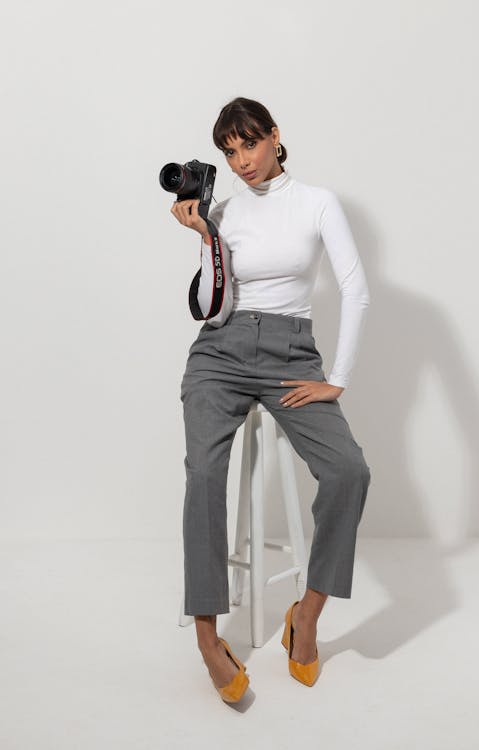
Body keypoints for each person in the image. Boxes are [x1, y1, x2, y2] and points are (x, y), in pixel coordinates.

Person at [170, 97, 371, 701]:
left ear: (274, 137)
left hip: (291, 356)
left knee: (348, 471)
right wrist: (208, 237)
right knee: (204, 472)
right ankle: (208, 639)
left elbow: (355, 289)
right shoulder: (225, 211)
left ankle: (305, 615)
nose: (241, 161)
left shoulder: (316, 203)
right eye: (229, 152)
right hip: (220, 352)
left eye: (249, 145)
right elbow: (213, 304)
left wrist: (337, 377)